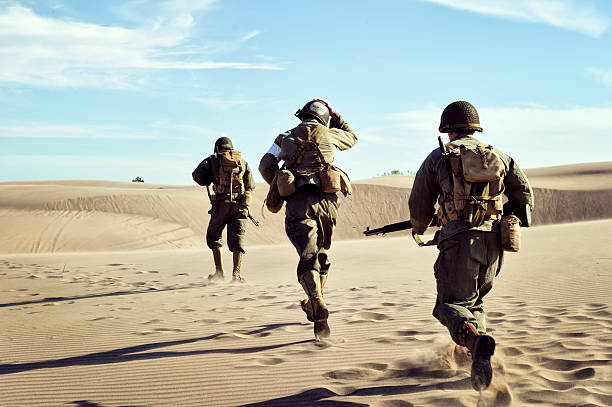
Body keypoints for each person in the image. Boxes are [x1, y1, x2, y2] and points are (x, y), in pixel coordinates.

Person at [408, 101, 534, 390]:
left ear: (447, 130)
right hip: (495, 242)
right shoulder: (499, 155)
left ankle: (477, 343)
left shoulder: (439, 156)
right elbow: (524, 193)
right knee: (474, 301)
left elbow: (419, 201)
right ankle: (476, 362)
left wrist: (419, 227)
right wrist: (512, 214)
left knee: (449, 305)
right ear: (475, 128)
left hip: (459, 240)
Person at [259, 99, 357, 339]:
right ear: (324, 118)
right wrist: (337, 116)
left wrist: (281, 184)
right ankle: (318, 313)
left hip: (298, 203)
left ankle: (316, 302)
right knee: (321, 254)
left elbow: (264, 165)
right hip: (327, 203)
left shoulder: (284, 137)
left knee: (307, 256)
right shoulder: (332, 134)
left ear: (302, 116)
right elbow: (352, 137)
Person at [192, 137, 255, 282]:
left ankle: (219, 271)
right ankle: (236, 274)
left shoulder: (213, 160)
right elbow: (250, 183)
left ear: (217, 148)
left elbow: (197, 177)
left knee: (213, 238)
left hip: (220, 205)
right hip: (239, 206)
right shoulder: (242, 161)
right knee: (238, 239)